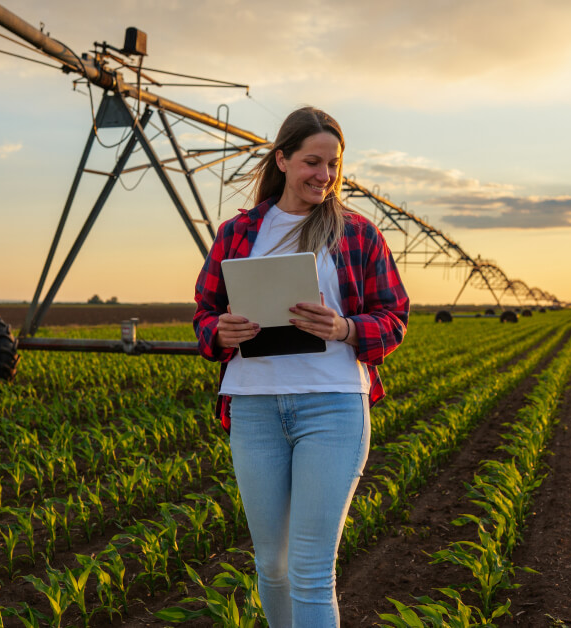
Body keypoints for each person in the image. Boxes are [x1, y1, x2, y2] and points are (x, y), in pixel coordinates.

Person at [193, 106, 410, 627]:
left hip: (333, 407)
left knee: (311, 568)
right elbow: (204, 314)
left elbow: (395, 317)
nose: (325, 176)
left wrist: (345, 328)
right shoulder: (239, 231)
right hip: (255, 409)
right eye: (313, 162)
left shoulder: (357, 233)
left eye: (333, 164)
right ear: (283, 159)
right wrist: (219, 332)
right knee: (273, 564)